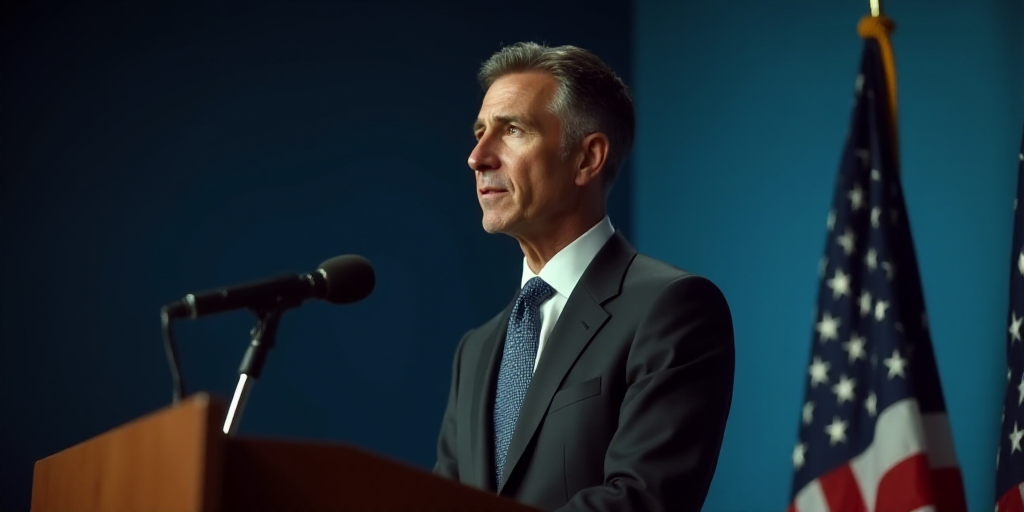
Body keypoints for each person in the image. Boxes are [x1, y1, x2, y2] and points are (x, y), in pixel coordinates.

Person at [433, 41, 735, 512]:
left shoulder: (672, 310)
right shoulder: (475, 351)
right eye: (479, 132)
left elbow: (642, 499)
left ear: (587, 158)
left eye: (511, 130)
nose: (478, 157)